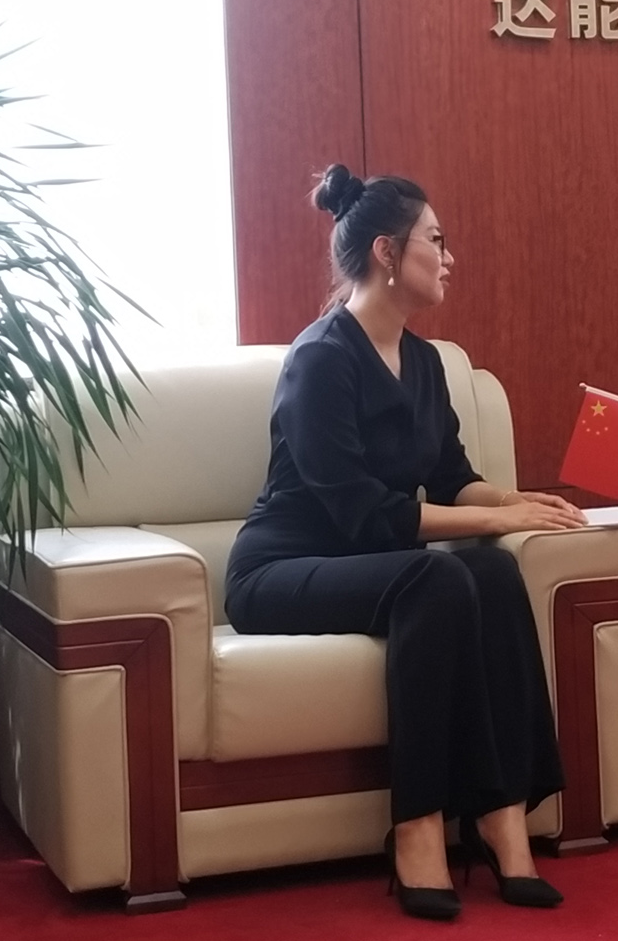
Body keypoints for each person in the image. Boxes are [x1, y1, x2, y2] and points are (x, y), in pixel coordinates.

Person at [224, 164, 588, 920]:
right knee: (440, 576)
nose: (451, 258)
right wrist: (494, 520)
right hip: (283, 569)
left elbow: (453, 478)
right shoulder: (320, 359)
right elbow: (363, 514)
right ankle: (418, 826)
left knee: (492, 572)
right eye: (437, 241)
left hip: (373, 566)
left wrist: (519, 504)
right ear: (387, 253)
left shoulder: (425, 362)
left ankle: (503, 818)